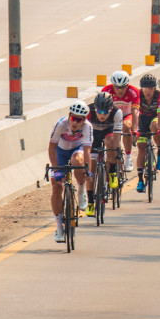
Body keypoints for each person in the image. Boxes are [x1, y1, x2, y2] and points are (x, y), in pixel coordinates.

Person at [47, 100, 92, 242]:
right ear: (69, 116)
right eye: (73, 118)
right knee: (56, 185)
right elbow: (51, 148)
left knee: (78, 160)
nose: (75, 122)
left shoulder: (87, 127)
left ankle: (81, 190)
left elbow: (87, 150)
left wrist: (87, 170)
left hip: (76, 149)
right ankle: (59, 227)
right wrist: (56, 170)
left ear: (84, 120)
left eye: (79, 120)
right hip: (60, 152)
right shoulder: (61, 124)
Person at [86, 91, 124, 212]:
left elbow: (117, 136)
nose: (102, 115)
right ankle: (91, 202)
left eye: (105, 112)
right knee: (91, 170)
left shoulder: (117, 113)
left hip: (109, 132)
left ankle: (112, 171)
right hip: (93, 134)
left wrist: (117, 151)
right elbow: (83, 135)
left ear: (110, 109)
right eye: (99, 111)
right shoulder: (88, 111)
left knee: (110, 141)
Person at [101, 70, 140, 171]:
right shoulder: (106, 91)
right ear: (113, 85)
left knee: (126, 126)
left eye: (123, 87)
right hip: (112, 116)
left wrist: (135, 129)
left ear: (127, 85)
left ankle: (128, 157)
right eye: (117, 87)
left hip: (127, 115)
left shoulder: (134, 91)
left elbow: (135, 112)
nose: (120, 90)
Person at [134, 74, 160, 194]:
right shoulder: (138, 95)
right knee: (141, 148)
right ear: (141, 88)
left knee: (155, 126)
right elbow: (135, 112)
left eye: (151, 88)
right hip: (142, 119)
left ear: (155, 88)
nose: (148, 91)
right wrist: (135, 129)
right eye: (145, 88)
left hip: (155, 118)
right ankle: (140, 179)